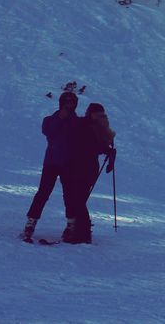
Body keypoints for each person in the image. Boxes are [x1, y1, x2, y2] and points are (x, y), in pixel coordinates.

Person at [21, 91, 80, 242]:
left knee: (70, 195)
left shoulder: (78, 123)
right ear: (61, 104)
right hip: (52, 163)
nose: (68, 106)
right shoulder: (50, 120)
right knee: (43, 193)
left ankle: (71, 226)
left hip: (69, 164)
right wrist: (60, 118)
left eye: (71, 103)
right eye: (66, 103)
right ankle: (30, 223)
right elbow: (48, 131)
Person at [62, 102, 115, 244]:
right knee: (79, 199)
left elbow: (87, 145)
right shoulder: (100, 127)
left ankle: (82, 233)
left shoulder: (86, 125)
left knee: (77, 200)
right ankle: (80, 231)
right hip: (89, 167)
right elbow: (99, 146)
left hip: (79, 167)